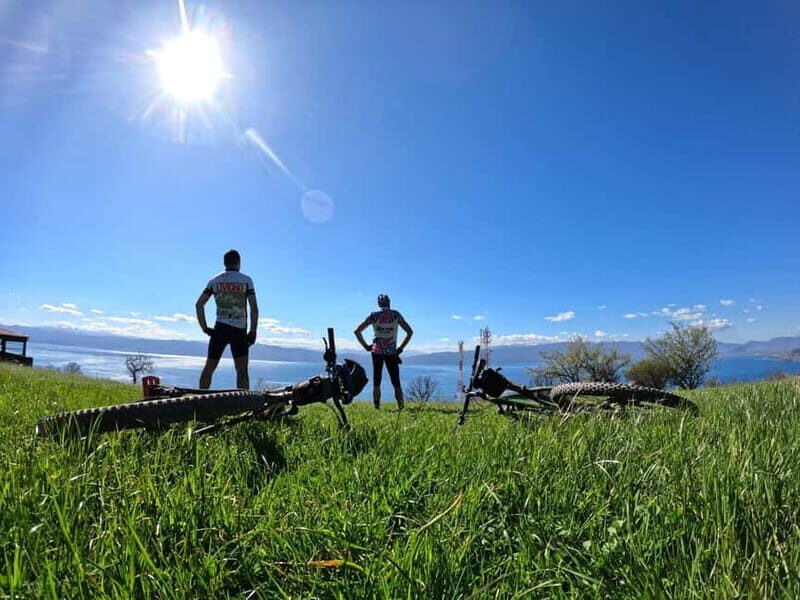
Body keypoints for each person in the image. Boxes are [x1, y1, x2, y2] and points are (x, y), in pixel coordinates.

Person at [195, 249, 258, 390]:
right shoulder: (246, 281)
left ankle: (200, 400)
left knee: (209, 367)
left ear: (224, 263)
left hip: (220, 328)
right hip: (239, 330)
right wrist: (253, 331)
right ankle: (243, 403)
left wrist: (204, 328)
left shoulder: (214, 281)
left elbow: (199, 305)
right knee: (242, 370)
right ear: (239, 262)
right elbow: (253, 308)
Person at [354, 294, 413, 409]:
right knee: (396, 381)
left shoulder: (374, 316)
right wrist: (400, 349)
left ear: (379, 304)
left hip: (376, 351)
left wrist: (366, 346)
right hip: (392, 352)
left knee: (377, 381)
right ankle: (401, 407)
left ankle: (376, 407)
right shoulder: (395, 315)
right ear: (389, 303)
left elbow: (357, 331)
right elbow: (409, 332)